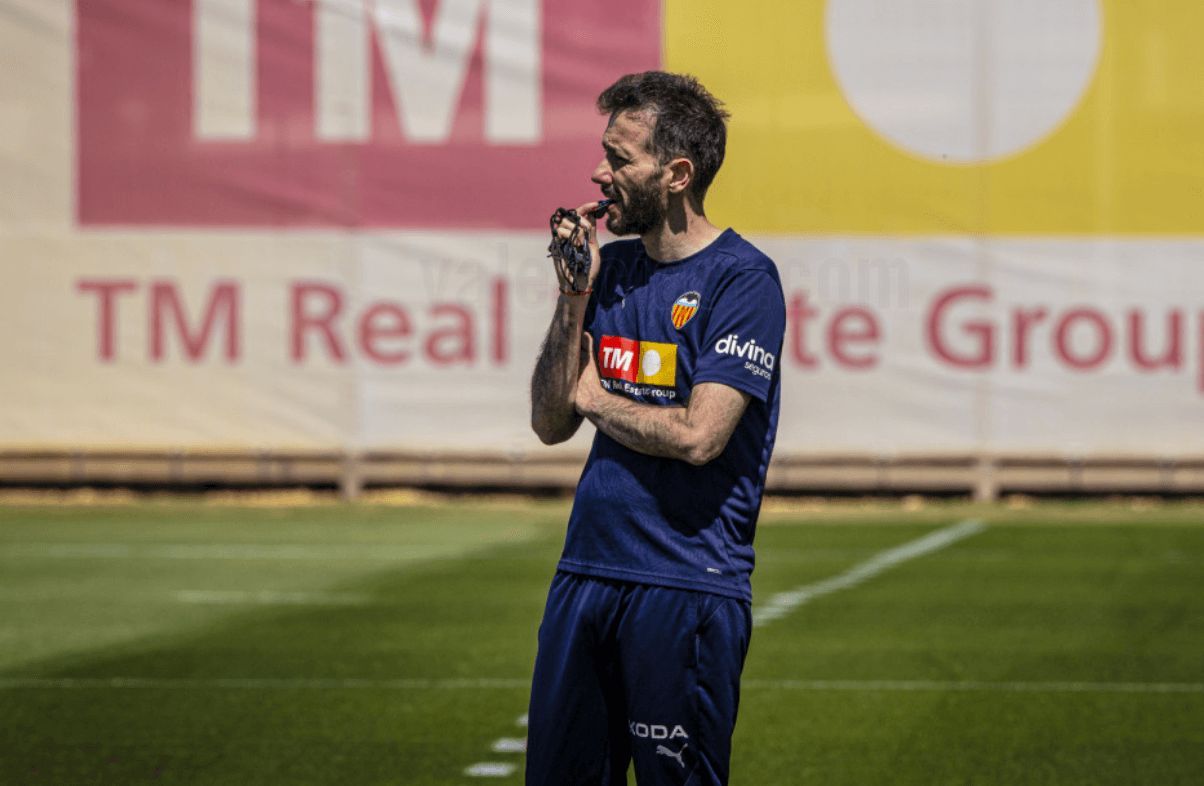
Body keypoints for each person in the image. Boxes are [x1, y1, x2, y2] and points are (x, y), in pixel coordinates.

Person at [527, 71, 786, 786]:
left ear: (676, 174)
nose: (598, 172)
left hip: (686, 588)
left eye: (619, 157)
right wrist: (573, 295)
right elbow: (551, 421)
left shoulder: (743, 280)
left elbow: (701, 436)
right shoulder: (610, 272)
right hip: (584, 574)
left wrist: (597, 399)